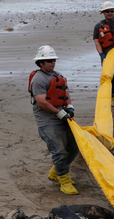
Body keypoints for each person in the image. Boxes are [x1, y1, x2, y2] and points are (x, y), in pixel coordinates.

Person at [29, 45, 79, 195]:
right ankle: (64, 181)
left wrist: (69, 106)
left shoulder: (58, 75)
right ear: (41, 63)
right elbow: (42, 102)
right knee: (60, 151)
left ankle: (57, 172)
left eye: (54, 60)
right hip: (48, 121)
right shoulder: (38, 79)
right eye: (49, 61)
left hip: (62, 116)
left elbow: (65, 93)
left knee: (74, 148)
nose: (52, 63)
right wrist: (59, 113)